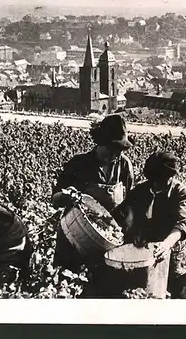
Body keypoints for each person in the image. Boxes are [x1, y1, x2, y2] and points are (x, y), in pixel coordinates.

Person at [50, 114, 134, 293]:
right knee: (68, 286)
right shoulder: (79, 164)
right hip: (75, 236)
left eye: (120, 150)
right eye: (112, 148)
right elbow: (55, 199)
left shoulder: (124, 166)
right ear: (100, 143)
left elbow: (129, 202)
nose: (116, 154)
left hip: (105, 240)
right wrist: (67, 196)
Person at [113, 151, 186, 299]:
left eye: (161, 181)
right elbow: (123, 213)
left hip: (174, 254)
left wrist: (167, 244)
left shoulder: (180, 193)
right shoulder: (140, 191)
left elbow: (182, 224)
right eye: (153, 180)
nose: (156, 184)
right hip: (146, 255)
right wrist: (133, 228)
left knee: (176, 295)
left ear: (171, 176)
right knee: (146, 295)